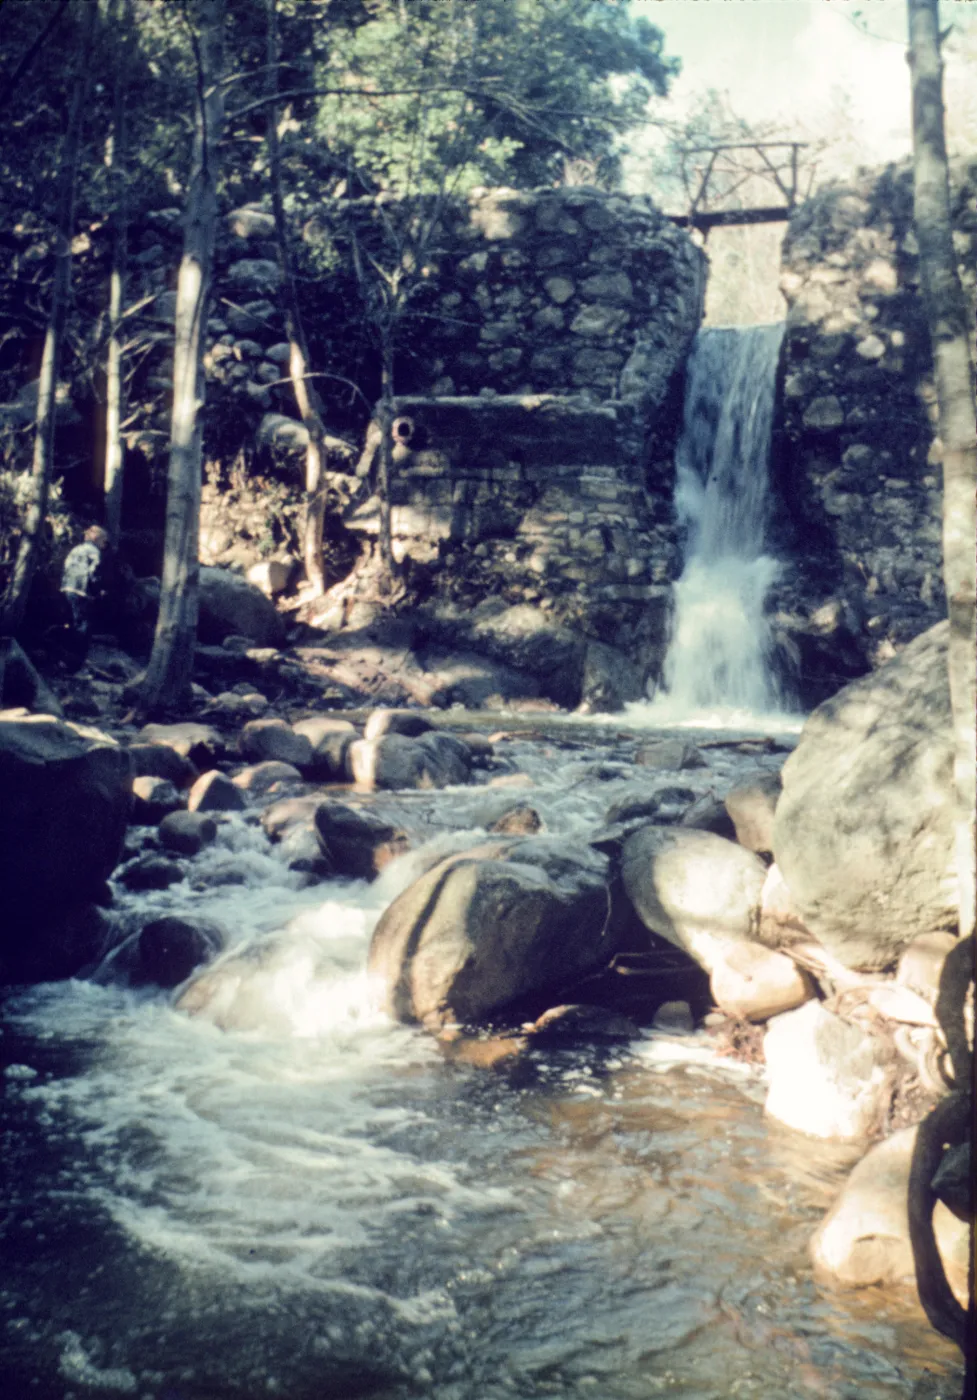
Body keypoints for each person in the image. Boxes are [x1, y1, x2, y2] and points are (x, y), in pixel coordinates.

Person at [60, 524, 109, 661]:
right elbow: (94, 573)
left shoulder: (76, 549)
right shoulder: (94, 552)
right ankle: (76, 664)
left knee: (71, 624)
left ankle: (64, 660)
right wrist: (99, 591)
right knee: (83, 627)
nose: (104, 545)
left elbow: (66, 567)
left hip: (67, 588)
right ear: (96, 538)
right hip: (81, 591)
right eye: (104, 541)